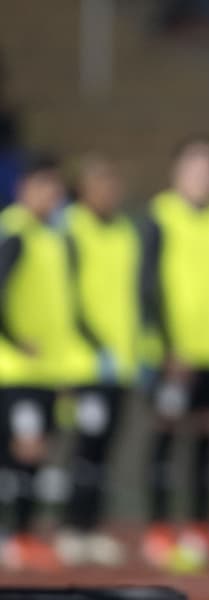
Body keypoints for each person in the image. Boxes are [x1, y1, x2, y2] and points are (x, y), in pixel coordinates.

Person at [138, 137, 209, 570]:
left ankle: (202, 526)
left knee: (208, 436)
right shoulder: (160, 215)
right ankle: (158, 529)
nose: (204, 176)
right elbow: (147, 286)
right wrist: (168, 346)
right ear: (177, 171)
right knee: (166, 433)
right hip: (173, 353)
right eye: (196, 168)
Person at [0, 155, 96, 571]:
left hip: (49, 372)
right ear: (23, 189)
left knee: (36, 454)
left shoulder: (56, 239)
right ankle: (17, 536)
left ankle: (23, 534)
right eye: (43, 186)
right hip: (15, 370)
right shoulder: (15, 233)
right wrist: (14, 340)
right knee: (25, 449)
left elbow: (62, 310)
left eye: (55, 187)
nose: (50, 195)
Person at [55, 155, 140, 567]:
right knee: (83, 449)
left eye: (112, 183)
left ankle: (91, 528)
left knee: (104, 450)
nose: (108, 192)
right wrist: (84, 346)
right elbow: (62, 294)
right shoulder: (68, 227)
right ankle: (72, 528)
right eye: (100, 183)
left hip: (119, 364)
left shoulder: (125, 231)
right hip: (81, 362)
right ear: (83, 188)